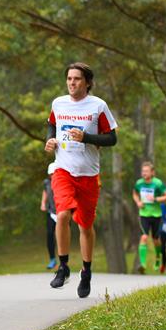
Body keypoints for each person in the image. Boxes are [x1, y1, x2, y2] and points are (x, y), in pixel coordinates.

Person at [44, 62, 118, 298]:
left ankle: (86, 271)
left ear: (87, 82)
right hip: (63, 169)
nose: (72, 83)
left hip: (88, 174)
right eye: (69, 78)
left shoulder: (98, 106)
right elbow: (52, 124)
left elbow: (112, 138)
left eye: (76, 79)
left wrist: (86, 137)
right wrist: (50, 140)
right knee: (62, 215)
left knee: (85, 225)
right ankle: (63, 266)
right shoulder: (58, 103)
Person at [132, 162, 166, 274]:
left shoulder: (158, 183)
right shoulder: (139, 183)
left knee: (156, 240)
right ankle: (143, 264)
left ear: (152, 172)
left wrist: (156, 199)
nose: (144, 173)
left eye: (146, 171)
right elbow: (134, 193)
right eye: (143, 171)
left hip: (157, 215)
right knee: (144, 237)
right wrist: (138, 202)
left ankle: (158, 257)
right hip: (144, 214)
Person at [40, 162, 58, 270]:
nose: (52, 176)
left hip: (62, 212)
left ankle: (63, 260)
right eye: (50, 174)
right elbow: (45, 192)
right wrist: (43, 203)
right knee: (50, 235)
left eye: (53, 174)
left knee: (62, 236)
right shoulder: (47, 182)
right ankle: (52, 259)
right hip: (51, 212)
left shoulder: (63, 182)